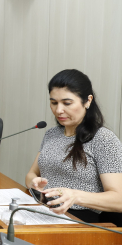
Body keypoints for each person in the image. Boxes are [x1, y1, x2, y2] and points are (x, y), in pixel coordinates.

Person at [25, 69, 122, 225]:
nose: (58, 110)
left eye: (67, 103)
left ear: (88, 101)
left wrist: (75, 196)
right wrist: (34, 182)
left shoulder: (103, 139)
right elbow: (31, 174)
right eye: (54, 102)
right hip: (44, 212)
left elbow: (119, 200)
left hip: (80, 221)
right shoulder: (52, 134)